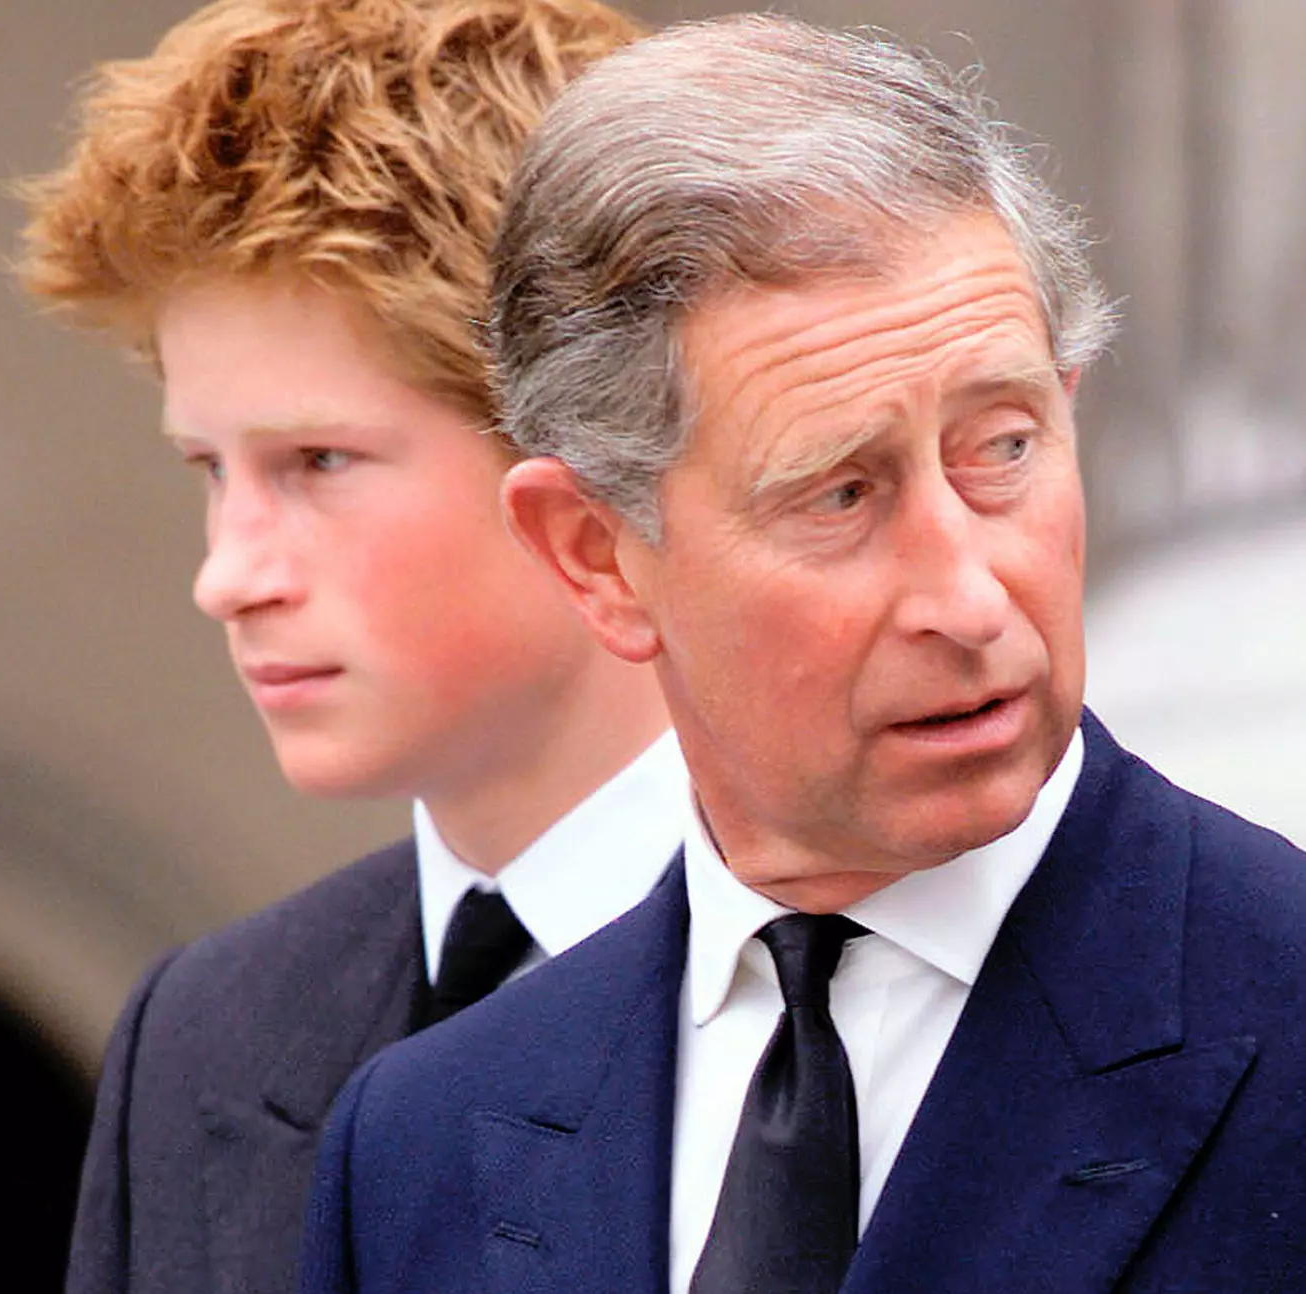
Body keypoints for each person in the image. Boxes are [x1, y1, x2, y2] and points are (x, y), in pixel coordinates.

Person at [300, 15, 1306, 1294]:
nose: (967, 595)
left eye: (1001, 447)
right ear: (596, 555)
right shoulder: (416, 1149)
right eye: (839, 493)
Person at [12, 1, 684, 1292]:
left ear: (592, 448)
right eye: (210, 468)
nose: (227, 574)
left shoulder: (869, 985)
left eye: (318, 461)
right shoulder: (205, 1032)